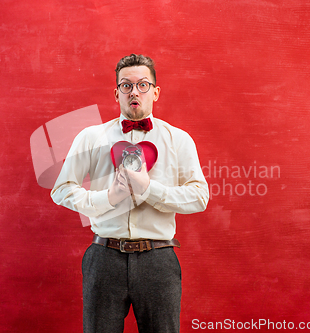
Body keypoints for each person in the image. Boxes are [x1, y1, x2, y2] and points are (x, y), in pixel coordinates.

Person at [51, 54, 209, 333]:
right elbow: (61, 190)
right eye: (126, 85)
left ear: (156, 92)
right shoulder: (90, 137)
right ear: (116, 93)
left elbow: (199, 197)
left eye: (143, 85)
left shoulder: (179, 140)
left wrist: (149, 190)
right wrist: (107, 198)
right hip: (104, 258)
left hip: (159, 260)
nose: (134, 91)